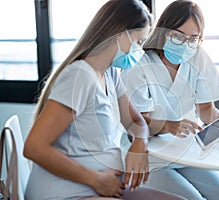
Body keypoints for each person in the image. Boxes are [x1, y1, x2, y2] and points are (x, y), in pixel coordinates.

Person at [23, 0, 186, 199]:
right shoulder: (79, 76)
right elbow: (34, 147)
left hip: (102, 184)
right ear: (119, 33)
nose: (140, 50)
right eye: (138, 42)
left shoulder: (109, 73)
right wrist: (95, 179)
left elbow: (135, 121)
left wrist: (140, 143)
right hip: (67, 192)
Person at [121, 0, 219, 199]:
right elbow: (137, 125)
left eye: (193, 38)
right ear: (163, 32)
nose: (186, 44)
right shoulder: (139, 64)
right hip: (151, 158)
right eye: (178, 36)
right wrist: (170, 126)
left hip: (185, 153)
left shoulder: (197, 56)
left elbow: (206, 109)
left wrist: (218, 118)